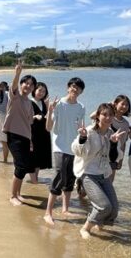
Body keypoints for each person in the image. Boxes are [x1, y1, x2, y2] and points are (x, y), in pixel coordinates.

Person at [72, 103, 124, 239]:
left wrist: (113, 144)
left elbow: (114, 158)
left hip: (103, 174)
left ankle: (99, 226)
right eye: (104, 114)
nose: (107, 117)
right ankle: (85, 228)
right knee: (104, 206)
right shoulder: (89, 131)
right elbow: (79, 152)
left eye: (110, 115)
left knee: (114, 208)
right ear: (97, 116)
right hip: (88, 174)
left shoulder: (111, 133)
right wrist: (82, 138)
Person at [43, 77, 86, 225]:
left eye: (78, 88)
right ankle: (48, 212)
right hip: (60, 147)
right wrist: (49, 111)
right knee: (59, 177)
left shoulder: (81, 107)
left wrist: (83, 135)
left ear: (81, 91)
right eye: (73, 86)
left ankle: (65, 209)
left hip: (74, 148)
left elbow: (80, 127)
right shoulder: (59, 104)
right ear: (68, 87)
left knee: (70, 179)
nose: (75, 89)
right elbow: (48, 128)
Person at [3, 63, 37, 206]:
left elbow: (29, 123)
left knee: (22, 166)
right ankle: (12, 196)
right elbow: (14, 86)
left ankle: (18, 193)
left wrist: (30, 140)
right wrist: (17, 73)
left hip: (25, 137)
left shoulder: (29, 103)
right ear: (22, 84)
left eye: (31, 85)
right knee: (21, 166)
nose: (28, 86)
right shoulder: (14, 96)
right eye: (26, 83)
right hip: (13, 135)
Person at [30, 82, 52, 183]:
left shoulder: (44, 103)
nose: (41, 93)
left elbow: (48, 117)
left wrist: (48, 105)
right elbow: (23, 118)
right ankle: (34, 180)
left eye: (44, 91)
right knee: (32, 156)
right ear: (34, 90)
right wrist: (34, 117)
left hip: (43, 133)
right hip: (32, 133)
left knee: (39, 157)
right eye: (40, 90)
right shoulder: (29, 102)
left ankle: (35, 178)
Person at [109, 94, 131, 183]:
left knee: (110, 182)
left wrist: (121, 159)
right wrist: (108, 104)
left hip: (114, 155)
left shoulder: (126, 123)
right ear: (115, 104)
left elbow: (123, 142)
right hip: (102, 154)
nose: (125, 106)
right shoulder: (108, 117)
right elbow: (92, 116)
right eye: (122, 104)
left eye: (127, 105)